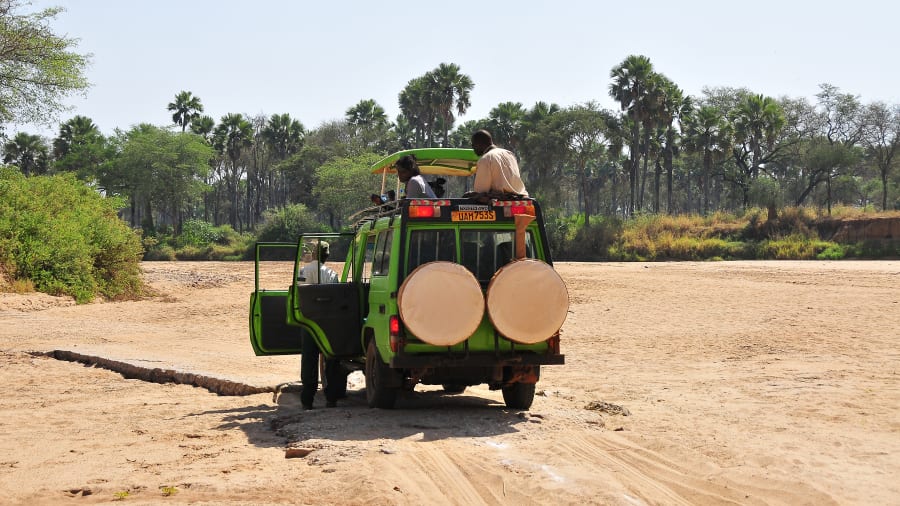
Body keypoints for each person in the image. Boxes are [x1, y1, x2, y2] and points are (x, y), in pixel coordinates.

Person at [297, 241, 344, 409]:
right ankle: (331, 398)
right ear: (327, 255)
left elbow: (299, 293)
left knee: (309, 359)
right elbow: (336, 296)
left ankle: (307, 400)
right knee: (331, 359)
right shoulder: (332, 274)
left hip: (309, 321)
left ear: (314, 254)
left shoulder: (303, 271)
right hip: (329, 323)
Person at [469, 129, 528, 197]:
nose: (473, 147)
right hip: (521, 199)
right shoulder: (509, 154)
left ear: (480, 143)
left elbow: (480, 191)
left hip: (497, 204)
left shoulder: (485, 159)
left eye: (473, 144)